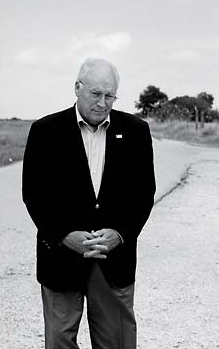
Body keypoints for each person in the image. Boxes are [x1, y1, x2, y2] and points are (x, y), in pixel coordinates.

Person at [22, 58, 156, 349]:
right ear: (77, 88)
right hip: (61, 257)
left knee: (116, 342)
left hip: (114, 259)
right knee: (59, 340)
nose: (102, 103)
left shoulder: (136, 131)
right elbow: (34, 193)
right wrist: (64, 235)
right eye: (96, 94)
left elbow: (144, 193)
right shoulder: (45, 131)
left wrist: (120, 233)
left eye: (110, 96)